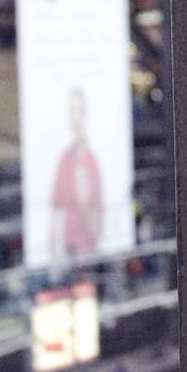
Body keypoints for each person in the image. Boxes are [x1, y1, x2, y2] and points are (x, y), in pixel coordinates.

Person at [49, 88, 105, 262]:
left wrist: (85, 204)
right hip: (66, 253)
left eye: (80, 111)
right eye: (72, 111)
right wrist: (53, 254)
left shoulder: (92, 162)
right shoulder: (64, 160)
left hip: (87, 253)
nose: (76, 118)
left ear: (85, 114)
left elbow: (97, 228)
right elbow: (55, 210)